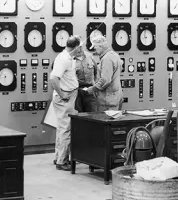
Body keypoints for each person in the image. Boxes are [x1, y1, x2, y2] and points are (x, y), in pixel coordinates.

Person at [49, 35, 82, 170]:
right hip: (65, 96)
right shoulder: (63, 59)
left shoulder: (69, 58)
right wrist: (63, 95)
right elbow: (53, 79)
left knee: (62, 128)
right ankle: (62, 162)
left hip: (68, 95)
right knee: (66, 129)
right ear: (76, 48)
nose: (82, 50)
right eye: (80, 47)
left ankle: (59, 157)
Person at [84, 31, 123, 111]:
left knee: (106, 122)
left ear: (101, 46)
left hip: (108, 101)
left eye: (95, 48)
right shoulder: (114, 55)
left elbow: (105, 80)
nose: (94, 50)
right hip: (115, 97)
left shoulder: (107, 59)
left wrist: (93, 89)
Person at [73, 44, 98, 113]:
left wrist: (94, 87)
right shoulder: (69, 59)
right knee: (78, 116)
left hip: (90, 91)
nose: (80, 49)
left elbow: (96, 73)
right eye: (77, 47)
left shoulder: (89, 56)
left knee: (92, 115)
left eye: (81, 47)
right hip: (76, 92)